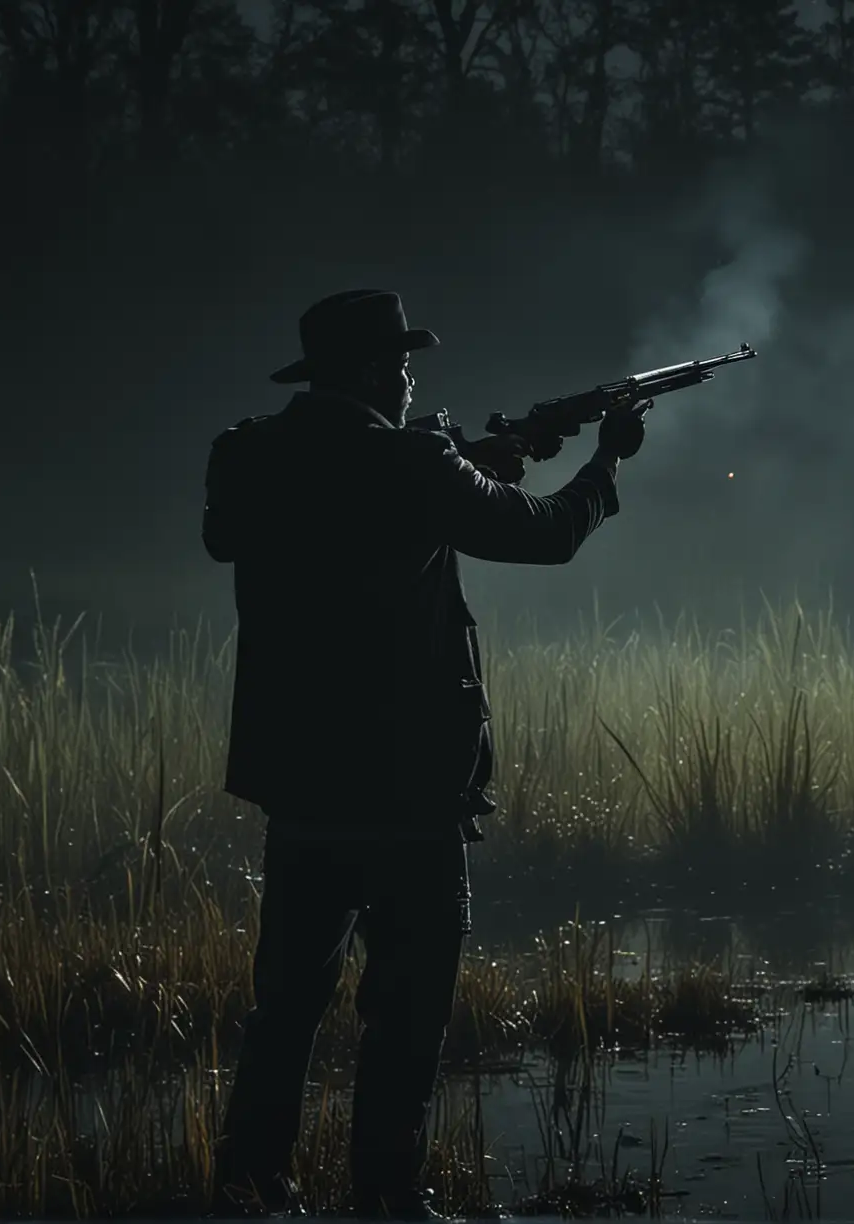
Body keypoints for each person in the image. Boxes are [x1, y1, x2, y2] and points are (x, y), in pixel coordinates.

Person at [203, 289, 650, 1219]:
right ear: (375, 372)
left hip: (300, 785)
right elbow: (546, 536)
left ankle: (251, 1187)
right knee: (405, 1014)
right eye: (402, 365)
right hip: (406, 789)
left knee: (285, 1008)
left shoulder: (249, 455)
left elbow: (310, 524)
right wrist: (605, 460)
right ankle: (389, 1197)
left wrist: (471, 464)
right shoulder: (411, 460)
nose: (411, 380)